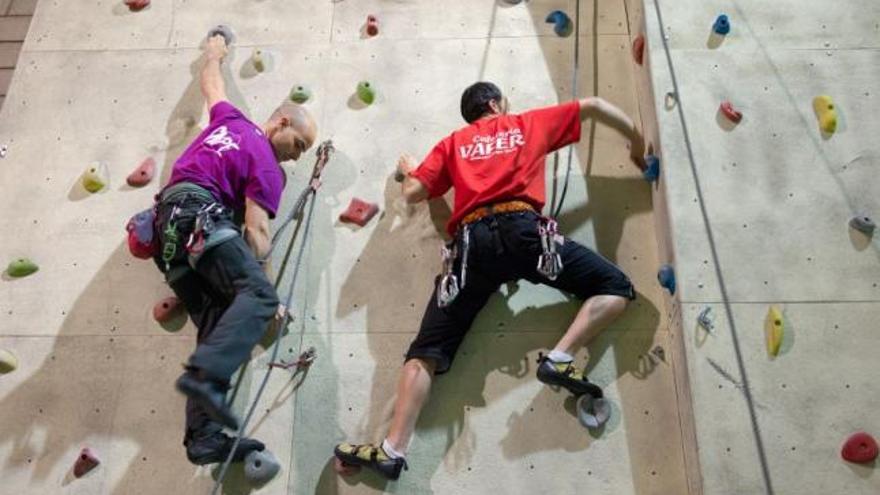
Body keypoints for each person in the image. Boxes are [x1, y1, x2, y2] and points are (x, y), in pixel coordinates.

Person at [334, 81, 644, 479]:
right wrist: (636, 141)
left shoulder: (453, 143)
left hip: (470, 248)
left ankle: (393, 449)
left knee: (425, 351)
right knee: (615, 287)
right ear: (496, 103)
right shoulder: (525, 124)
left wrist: (410, 169)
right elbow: (597, 104)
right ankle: (560, 358)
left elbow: (413, 193)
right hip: (524, 233)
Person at [152, 34, 317, 465]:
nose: (296, 158)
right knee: (258, 297)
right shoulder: (265, 161)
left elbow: (212, 85)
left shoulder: (231, 122)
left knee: (215, 322)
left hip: (168, 232)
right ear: (280, 122)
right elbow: (256, 228)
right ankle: (206, 386)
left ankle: (203, 437)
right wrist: (265, 296)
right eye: (299, 144)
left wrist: (214, 51)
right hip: (201, 218)